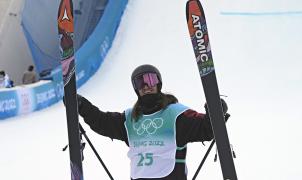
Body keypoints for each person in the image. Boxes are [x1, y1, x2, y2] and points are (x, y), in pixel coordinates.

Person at [74, 64, 228, 180]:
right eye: (140, 83)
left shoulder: (176, 115)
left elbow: (206, 129)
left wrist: (215, 112)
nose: (146, 86)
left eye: (151, 80)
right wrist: (82, 106)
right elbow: (102, 122)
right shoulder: (130, 119)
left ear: (158, 83)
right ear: (136, 89)